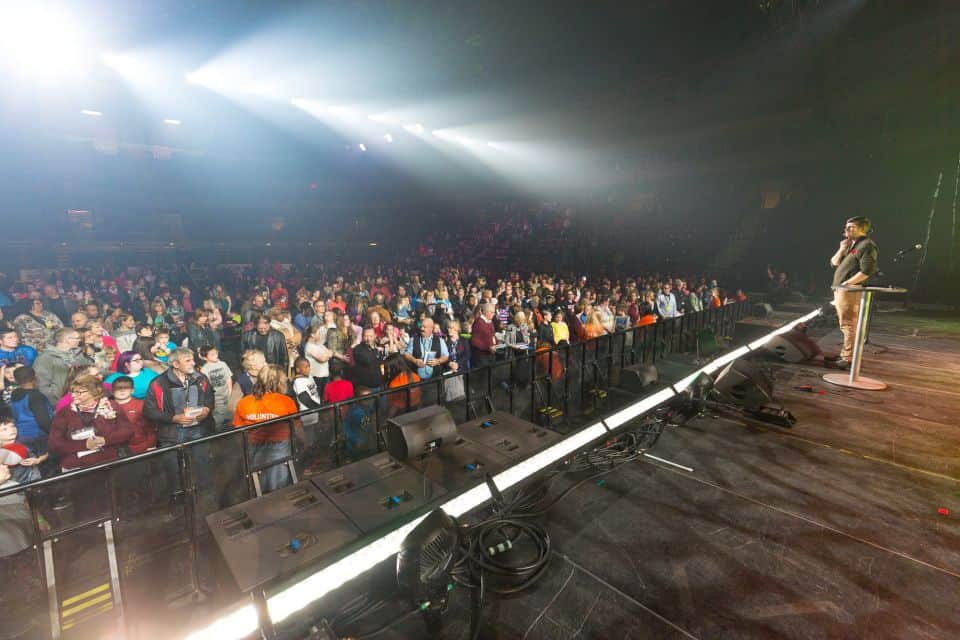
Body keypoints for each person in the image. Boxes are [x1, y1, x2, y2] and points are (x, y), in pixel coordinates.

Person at [232, 364, 300, 494]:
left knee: (258, 483)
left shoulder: (244, 402)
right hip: (280, 448)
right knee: (279, 487)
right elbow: (296, 428)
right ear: (280, 382)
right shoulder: (286, 401)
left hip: (252, 448)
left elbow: (238, 430)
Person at [48, 374, 133, 470]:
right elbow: (54, 444)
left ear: (94, 392)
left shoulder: (110, 406)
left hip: (110, 464)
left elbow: (128, 431)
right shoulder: (65, 413)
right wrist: (84, 444)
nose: (73, 395)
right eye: (72, 391)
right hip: (77, 468)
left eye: (78, 392)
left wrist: (106, 440)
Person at [829, 216, 879, 368]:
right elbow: (833, 263)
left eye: (851, 227)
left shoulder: (867, 245)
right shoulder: (852, 245)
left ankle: (848, 359)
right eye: (846, 226)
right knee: (845, 324)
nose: (847, 229)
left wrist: (847, 283)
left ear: (863, 229)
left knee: (849, 325)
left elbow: (867, 271)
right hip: (842, 289)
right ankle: (845, 354)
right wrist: (842, 248)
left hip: (850, 290)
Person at [143, 347, 215, 447]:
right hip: (172, 435)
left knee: (201, 461)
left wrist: (207, 409)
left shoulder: (201, 378)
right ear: (176, 364)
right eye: (188, 361)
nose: (193, 363)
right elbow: (149, 411)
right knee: (174, 462)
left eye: (193, 359)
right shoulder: (159, 383)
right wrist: (173, 418)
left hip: (200, 430)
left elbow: (209, 396)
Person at [8, 366, 53, 476]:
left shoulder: (15, 394)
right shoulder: (36, 396)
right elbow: (43, 421)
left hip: (22, 436)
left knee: (33, 470)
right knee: (48, 470)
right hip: (39, 437)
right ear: (35, 377)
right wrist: (55, 434)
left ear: (15, 380)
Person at [34, 328, 91, 406]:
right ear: (66, 340)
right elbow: (42, 386)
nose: (80, 340)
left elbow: (92, 369)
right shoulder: (45, 358)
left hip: (83, 400)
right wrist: (58, 402)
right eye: (77, 338)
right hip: (60, 404)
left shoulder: (78, 355)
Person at [108, 375, 157, 454]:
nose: (122, 391)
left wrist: (151, 445)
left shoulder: (142, 405)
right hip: (115, 450)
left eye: (126, 387)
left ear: (132, 390)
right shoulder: (105, 406)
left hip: (141, 448)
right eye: (118, 388)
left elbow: (150, 428)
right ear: (112, 391)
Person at [0, 416, 45, 484]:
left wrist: (38, 460)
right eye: (5, 429)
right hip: (12, 488)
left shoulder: (26, 440)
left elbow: (46, 453)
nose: (12, 430)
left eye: (12, 426)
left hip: (36, 481)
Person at [302, 324, 332, 397]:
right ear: (312, 335)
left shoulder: (318, 344)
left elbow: (331, 352)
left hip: (324, 376)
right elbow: (322, 359)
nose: (320, 335)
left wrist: (327, 355)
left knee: (325, 398)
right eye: (318, 333)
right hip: (317, 378)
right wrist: (327, 355)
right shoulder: (309, 346)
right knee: (318, 398)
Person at [351, 327, 384, 391]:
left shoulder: (378, 347)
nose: (368, 339)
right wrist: (376, 350)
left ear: (375, 336)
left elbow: (381, 364)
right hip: (366, 389)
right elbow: (368, 360)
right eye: (366, 336)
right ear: (363, 336)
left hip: (379, 386)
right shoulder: (358, 349)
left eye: (371, 336)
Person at [470, 303, 498, 369]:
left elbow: (492, 335)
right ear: (486, 312)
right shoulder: (478, 323)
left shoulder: (489, 322)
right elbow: (474, 341)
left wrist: (496, 342)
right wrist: (488, 347)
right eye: (492, 312)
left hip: (490, 354)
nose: (494, 314)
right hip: (482, 357)